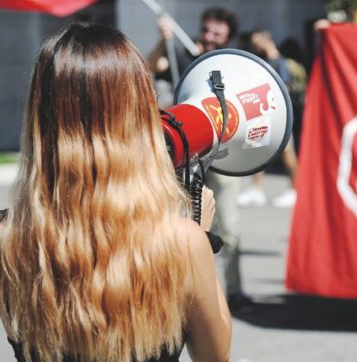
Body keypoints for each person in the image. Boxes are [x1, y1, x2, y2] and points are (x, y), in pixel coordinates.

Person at [0, 22, 230, 362]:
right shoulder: (183, 242)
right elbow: (215, 357)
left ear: (42, 116)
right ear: (138, 120)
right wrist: (202, 241)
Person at [148, 7, 252, 311]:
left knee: (228, 227)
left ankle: (234, 290)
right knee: (183, 225)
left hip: (224, 156)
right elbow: (155, 64)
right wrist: (161, 39)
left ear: (227, 37)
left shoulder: (234, 63)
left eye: (216, 34)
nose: (208, 38)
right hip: (188, 156)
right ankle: (187, 295)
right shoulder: (183, 53)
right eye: (206, 31)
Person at [236, 29, 299, 208]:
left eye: (257, 42)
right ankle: (256, 190)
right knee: (259, 150)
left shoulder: (280, 63)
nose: (255, 46)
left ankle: (295, 189)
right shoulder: (265, 61)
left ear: (266, 40)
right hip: (263, 115)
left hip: (279, 116)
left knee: (288, 153)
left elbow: (284, 89)